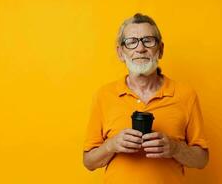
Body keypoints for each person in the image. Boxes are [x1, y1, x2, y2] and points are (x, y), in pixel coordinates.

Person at [83, 13, 209, 184]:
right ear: (120, 53)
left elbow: (202, 159)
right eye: (131, 42)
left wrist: (174, 148)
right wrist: (111, 145)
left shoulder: (186, 95)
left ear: (161, 50)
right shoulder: (104, 95)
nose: (140, 48)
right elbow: (89, 162)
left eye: (148, 40)